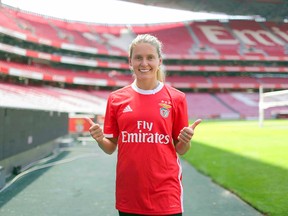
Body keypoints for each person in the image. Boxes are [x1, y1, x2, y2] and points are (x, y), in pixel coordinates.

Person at [87, 34, 201, 216]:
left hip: (166, 192)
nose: (144, 63)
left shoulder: (177, 98)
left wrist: (186, 140)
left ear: (159, 61)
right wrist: (100, 139)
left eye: (150, 58)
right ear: (130, 62)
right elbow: (110, 148)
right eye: (138, 58)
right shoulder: (116, 99)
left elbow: (181, 149)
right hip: (130, 193)